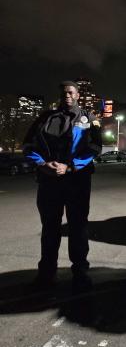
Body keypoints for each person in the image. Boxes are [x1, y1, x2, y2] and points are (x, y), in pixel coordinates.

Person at [23, 81, 102, 290]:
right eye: (63, 93)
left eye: (70, 92)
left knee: (78, 228)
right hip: (49, 182)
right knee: (50, 229)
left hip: (77, 182)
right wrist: (42, 164)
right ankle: (47, 274)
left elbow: (94, 147)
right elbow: (28, 146)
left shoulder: (88, 119)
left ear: (77, 95)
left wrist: (69, 167)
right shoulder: (44, 118)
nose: (67, 95)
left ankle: (80, 273)